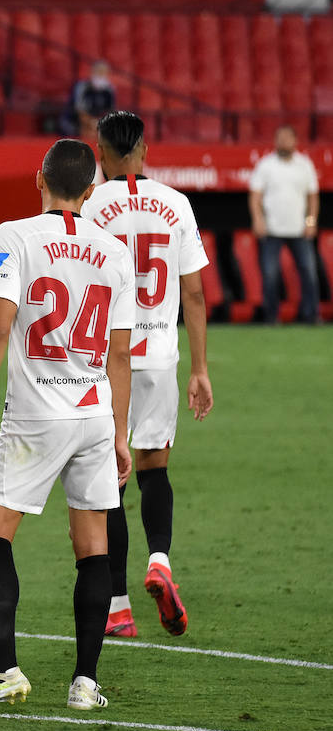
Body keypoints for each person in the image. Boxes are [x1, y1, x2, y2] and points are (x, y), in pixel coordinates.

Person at [0, 139, 133, 717]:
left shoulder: (15, 236)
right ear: (92, 191)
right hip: (94, 414)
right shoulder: (114, 250)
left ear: (39, 180)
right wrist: (120, 433)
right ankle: (84, 683)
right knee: (93, 546)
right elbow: (121, 354)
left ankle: (2, 669)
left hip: (36, 414)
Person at [82, 111, 214, 638]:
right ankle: (160, 559)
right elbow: (196, 293)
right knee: (153, 467)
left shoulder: (92, 204)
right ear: (145, 149)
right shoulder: (176, 203)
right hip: (160, 354)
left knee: (107, 479)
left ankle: (117, 606)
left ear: (101, 152)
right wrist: (200, 368)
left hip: (107, 357)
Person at [249, 124, 321, 324]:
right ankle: (271, 316)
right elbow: (255, 196)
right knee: (270, 274)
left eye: (287, 138)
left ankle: (310, 315)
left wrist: (311, 221)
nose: (283, 142)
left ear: (295, 141)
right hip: (272, 229)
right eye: (280, 138)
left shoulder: (305, 165)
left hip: (299, 229)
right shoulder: (266, 165)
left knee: (309, 272)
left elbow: (312, 197)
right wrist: (258, 219)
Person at [62, 59, 115, 138]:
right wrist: (92, 123)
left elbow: (110, 111)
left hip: (98, 122)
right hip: (75, 121)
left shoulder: (109, 90)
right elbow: (80, 112)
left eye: (104, 73)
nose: (102, 76)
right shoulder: (81, 87)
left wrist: (100, 123)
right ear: (92, 73)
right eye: (99, 72)